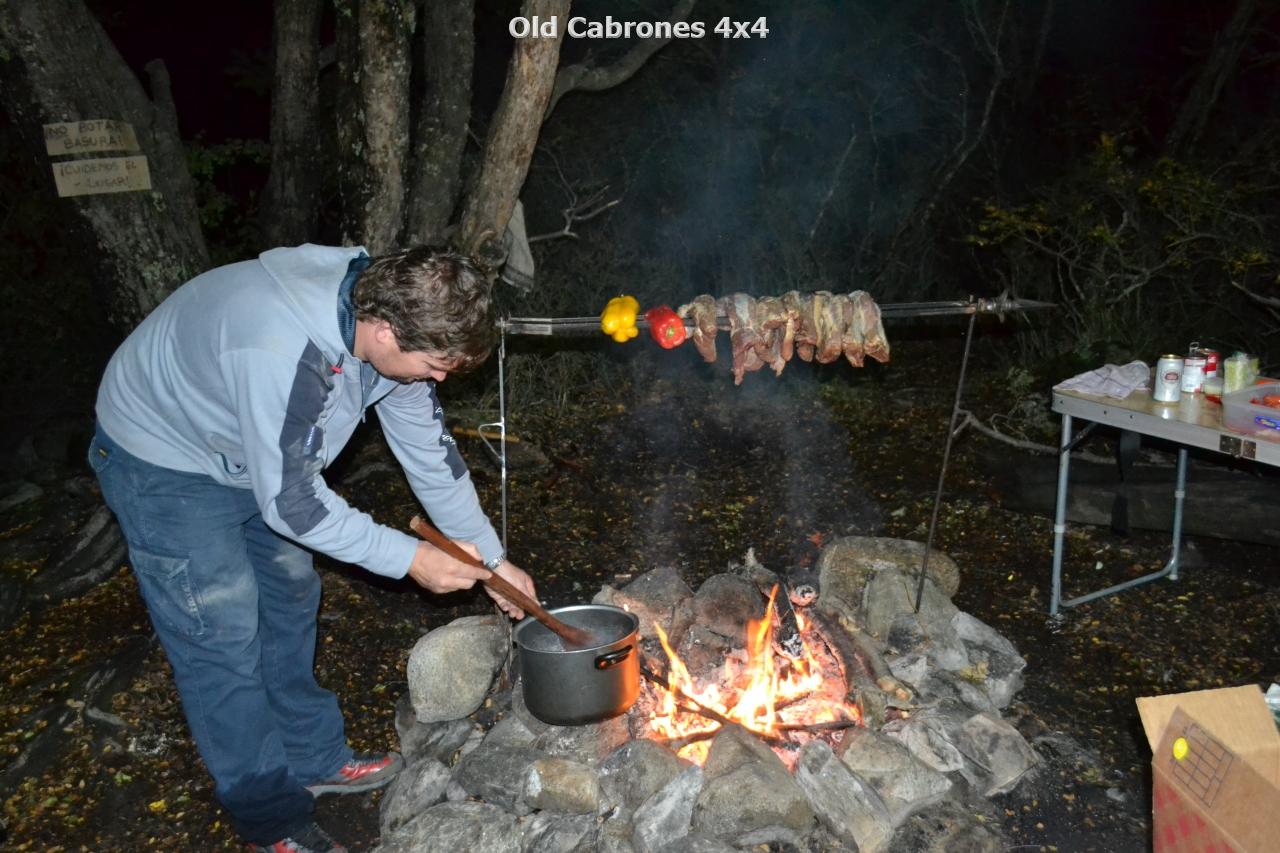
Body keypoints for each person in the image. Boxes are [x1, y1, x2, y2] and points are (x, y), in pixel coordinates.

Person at [87, 244, 536, 853]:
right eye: (435, 366)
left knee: (290, 599)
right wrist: (410, 559)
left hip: (256, 452)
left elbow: (431, 457)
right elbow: (294, 503)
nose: (438, 380)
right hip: (166, 458)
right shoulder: (279, 347)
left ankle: (312, 757)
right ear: (385, 330)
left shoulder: (393, 329)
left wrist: (492, 560)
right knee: (220, 637)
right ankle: (270, 818)